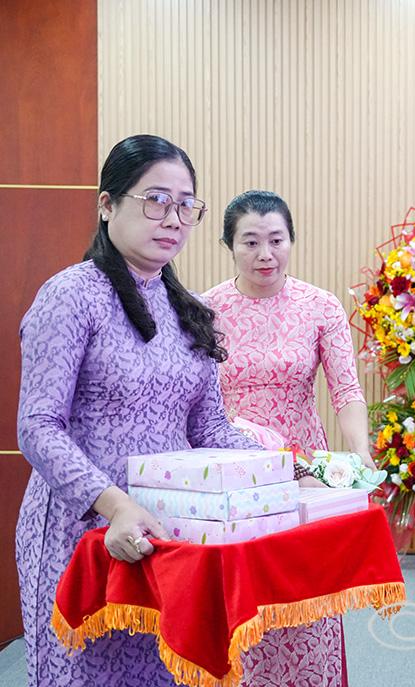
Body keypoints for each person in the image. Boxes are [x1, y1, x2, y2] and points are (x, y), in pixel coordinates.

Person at [15, 134, 260, 686]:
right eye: (155, 200)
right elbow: (38, 426)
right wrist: (115, 504)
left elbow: (209, 427)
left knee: (165, 671)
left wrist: (286, 470)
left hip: (168, 537)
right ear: (107, 205)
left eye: (186, 205)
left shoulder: (189, 310)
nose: (172, 218)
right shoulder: (71, 295)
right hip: (82, 534)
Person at [204, 190, 372, 686]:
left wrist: (359, 452)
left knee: (302, 593)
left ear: (291, 241)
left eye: (277, 240)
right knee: (240, 598)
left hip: (302, 472)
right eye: (250, 242)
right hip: (232, 474)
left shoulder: (319, 306)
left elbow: (346, 391)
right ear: (228, 245)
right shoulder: (205, 310)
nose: (265, 254)